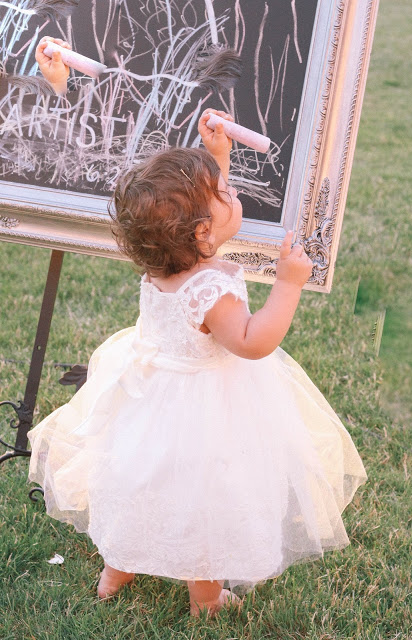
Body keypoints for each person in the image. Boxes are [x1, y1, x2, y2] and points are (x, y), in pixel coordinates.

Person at [27, 101, 368, 619]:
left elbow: (204, 217)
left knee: (142, 480)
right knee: (205, 495)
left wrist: (216, 158)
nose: (232, 195)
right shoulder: (211, 288)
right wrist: (288, 284)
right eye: (225, 193)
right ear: (203, 234)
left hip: (151, 400)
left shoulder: (167, 266)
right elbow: (254, 342)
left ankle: (116, 570)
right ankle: (206, 598)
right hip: (205, 410)